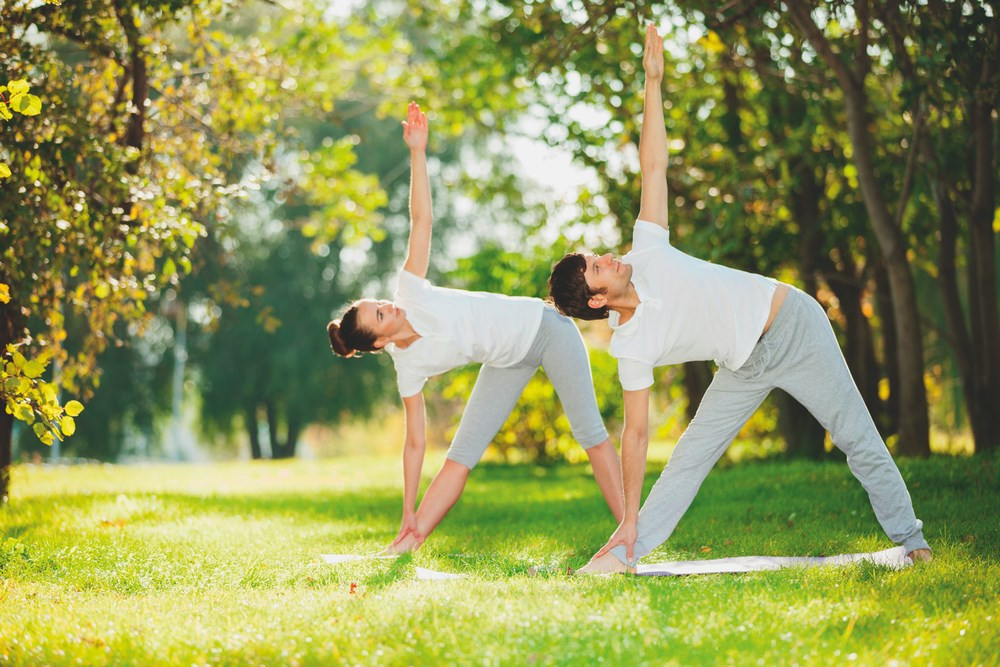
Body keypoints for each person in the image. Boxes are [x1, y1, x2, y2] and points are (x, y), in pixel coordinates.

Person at [546, 25, 932, 574]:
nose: (606, 257)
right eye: (596, 267)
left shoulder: (648, 249)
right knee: (688, 458)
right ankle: (628, 548)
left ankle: (912, 541)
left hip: (793, 325)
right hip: (743, 367)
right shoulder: (630, 347)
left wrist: (653, 83)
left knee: (855, 436)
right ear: (596, 300)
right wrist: (627, 514)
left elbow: (653, 165)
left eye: (597, 256)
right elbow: (636, 434)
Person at [328, 102, 625, 553]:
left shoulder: (411, 292)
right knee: (460, 457)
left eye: (379, 303)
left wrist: (417, 152)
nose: (389, 305)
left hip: (546, 330)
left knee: (591, 436)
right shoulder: (408, 369)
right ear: (382, 341)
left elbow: (421, 220)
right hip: (506, 359)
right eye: (381, 315)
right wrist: (407, 508)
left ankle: (630, 533)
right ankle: (408, 540)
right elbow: (415, 444)